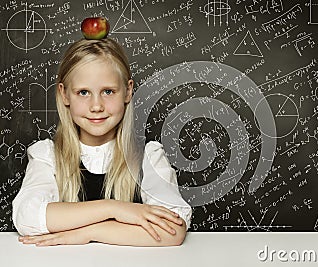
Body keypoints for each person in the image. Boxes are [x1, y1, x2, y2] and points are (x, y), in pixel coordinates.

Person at [12, 38, 192, 247]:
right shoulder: (48, 156)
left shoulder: (148, 157)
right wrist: (113, 209)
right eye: (83, 92)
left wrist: (89, 232)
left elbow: (173, 230)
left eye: (108, 91)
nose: (96, 106)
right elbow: (28, 218)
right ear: (64, 94)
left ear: (127, 91)